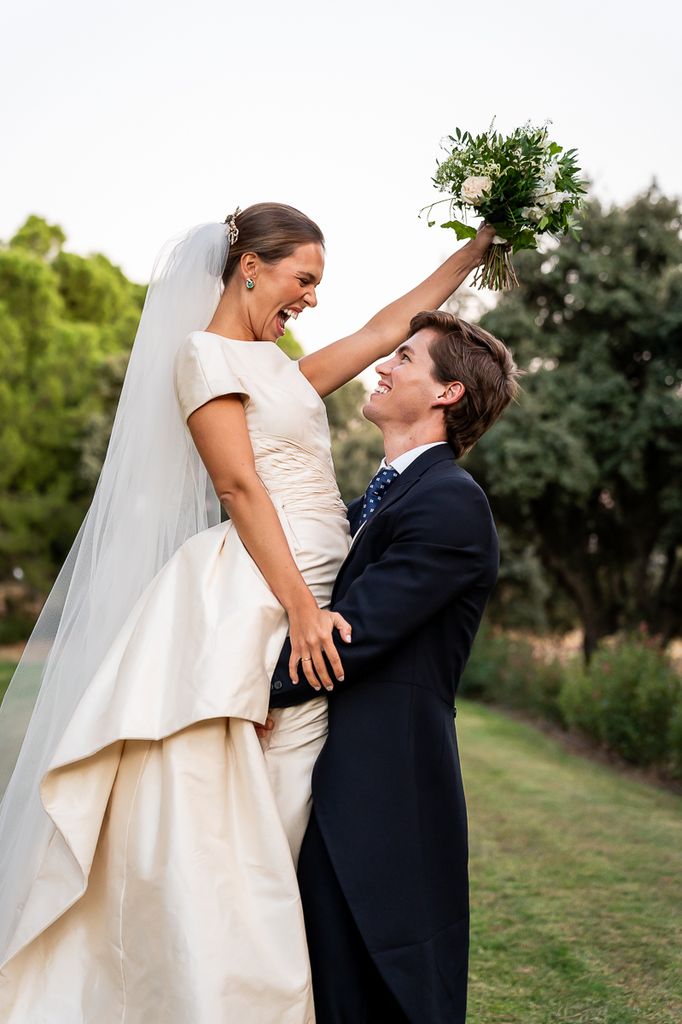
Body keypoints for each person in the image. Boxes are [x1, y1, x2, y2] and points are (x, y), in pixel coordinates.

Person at [0, 205, 495, 1022]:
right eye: (303, 279)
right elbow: (238, 488)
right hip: (269, 582)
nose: (309, 300)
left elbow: (384, 327)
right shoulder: (201, 358)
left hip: (323, 564)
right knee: (244, 791)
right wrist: (303, 609)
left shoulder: (283, 370)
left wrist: (471, 253)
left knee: (287, 791)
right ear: (250, 267)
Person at [269, 310, 520, 1023]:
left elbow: (348, 641)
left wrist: (240, 695)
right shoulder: (376, 501)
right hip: (331, 778)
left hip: (385, 797)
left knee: (382, 992)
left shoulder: (450, 505)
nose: (383, 366)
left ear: (447, 394)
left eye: (404, 358)